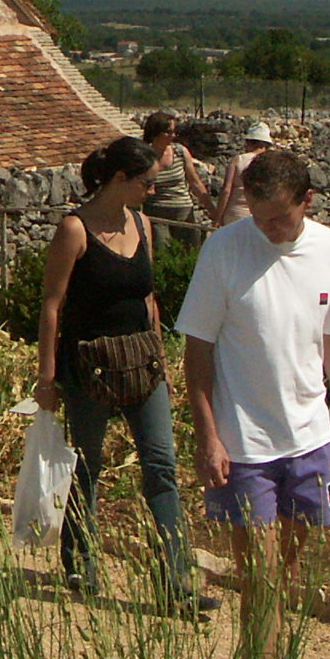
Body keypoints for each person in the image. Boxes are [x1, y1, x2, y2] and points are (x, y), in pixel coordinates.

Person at [176, 148, 330, 635]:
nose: (267, 229)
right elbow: (197, 350)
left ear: (307, 200)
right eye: (259, 218)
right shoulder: (223, 250)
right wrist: (208, 436)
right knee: (259, 582)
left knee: (284, 578)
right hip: (245, 445)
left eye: (279, 218)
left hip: (309, 436)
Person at [37, 135, 218, 611]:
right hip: (89, 365)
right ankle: (81, 562)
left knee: (162, 466)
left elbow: (148, 299)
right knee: (87, 466)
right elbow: (52, 305)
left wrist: (163, 362)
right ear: (120, 178)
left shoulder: (142, 224)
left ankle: (176, 581)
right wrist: (47, 378)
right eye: (146, 183)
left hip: (142, 361)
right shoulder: (75, 230)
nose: (152, 192)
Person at [141, 111, 218, 242]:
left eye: (174, 132)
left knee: (189, 249)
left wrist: (213, 211)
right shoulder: (144, 155)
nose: (173, 136)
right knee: (161, 248)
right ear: (155, 132)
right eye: (168, 132)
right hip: (156, 213)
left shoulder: (180, 151)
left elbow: (195, 183)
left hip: (183, 210)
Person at [212, 120, 275, 226]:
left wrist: (218, 217)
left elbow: (226, 190)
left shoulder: (238, 160)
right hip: (259, 217)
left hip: (234, 214)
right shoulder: (271, 163)